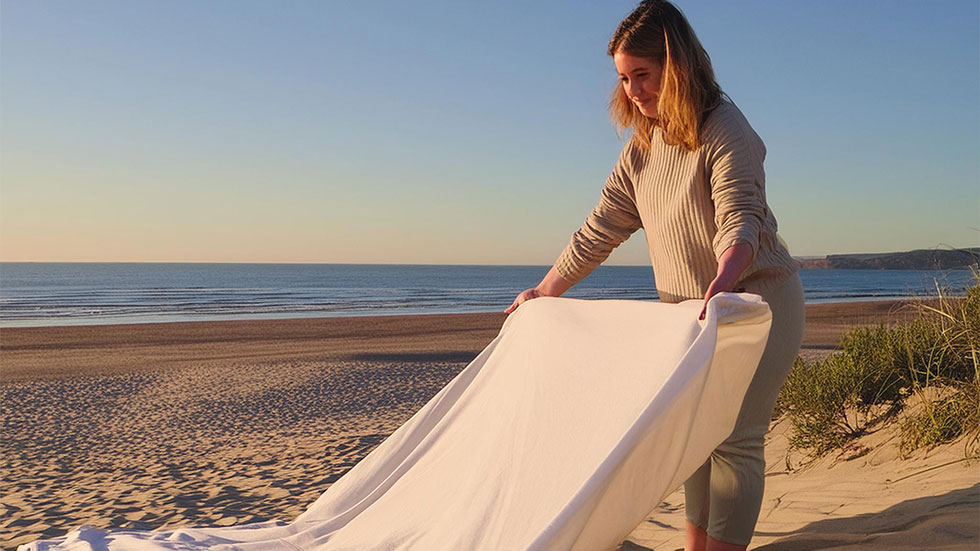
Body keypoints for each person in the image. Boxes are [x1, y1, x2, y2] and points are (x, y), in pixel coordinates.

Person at [505, 1, 805, 550]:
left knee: (735, 440)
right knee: (693, 437)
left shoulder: (726, 129)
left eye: (643, 75)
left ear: (678, 66)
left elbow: (740, 214)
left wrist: (726, 275)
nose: (633, 91)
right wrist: (544, 291)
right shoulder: (643, 146)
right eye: (624, 78)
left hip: (754, 303)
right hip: (688, 315)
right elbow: (600, 229)